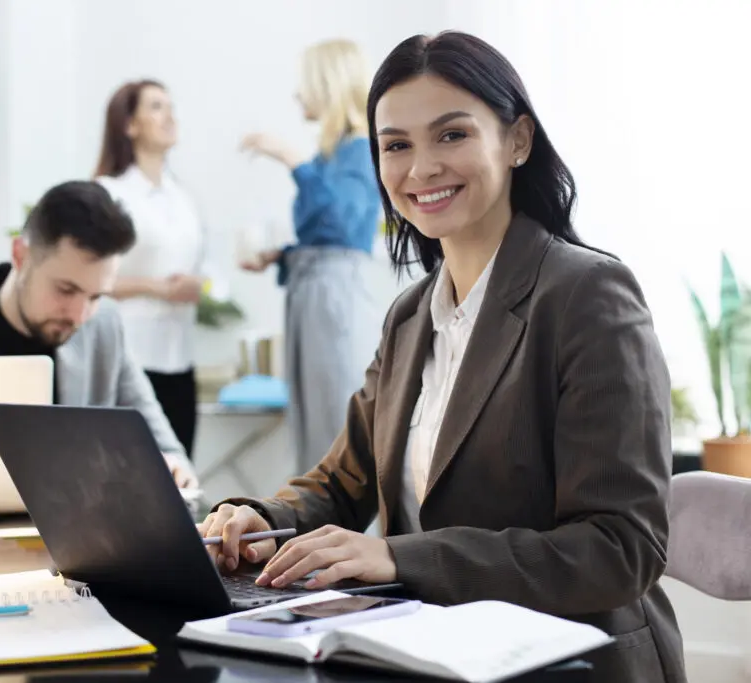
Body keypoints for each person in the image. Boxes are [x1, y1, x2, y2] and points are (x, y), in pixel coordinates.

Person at [200, 31, 684, 683]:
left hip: (570, 660)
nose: (420, 168)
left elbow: (619, 550)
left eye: (451, 135)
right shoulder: (410, 314)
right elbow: (345, 480)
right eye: (396, 145)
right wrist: (265, 520)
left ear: (517, 140)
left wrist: (400, 557)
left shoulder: (586, 295)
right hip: (430, 652)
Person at [0, 180, 198, 489]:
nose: (79, 315)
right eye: (66, 289)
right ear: (20, 255)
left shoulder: (104, 327)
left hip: (76, 538)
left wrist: (170, 467)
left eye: (95, 296)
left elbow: (167, 447)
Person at [239, 39, 383, 475]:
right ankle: (313, 533)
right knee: (309, 421)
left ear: (328, 84)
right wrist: (281, 255)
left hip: (332, 294)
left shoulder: (359, 148)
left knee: (332, 422)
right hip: (312, 290)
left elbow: (342, 224)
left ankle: (343, 538)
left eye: (305, 84)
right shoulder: (331, 154)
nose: (298, 95)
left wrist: (292, 160)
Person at [93, 79, 210, 459]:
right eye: (156, 107)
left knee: (180, 478)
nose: (170, 115)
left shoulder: (182, 196)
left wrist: (198, 285)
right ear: (129, 125)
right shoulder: (110, 193)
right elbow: (90, 278)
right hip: (133, 356)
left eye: (171, 106)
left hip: (180, 358)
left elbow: (197, 265)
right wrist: (157, 288)